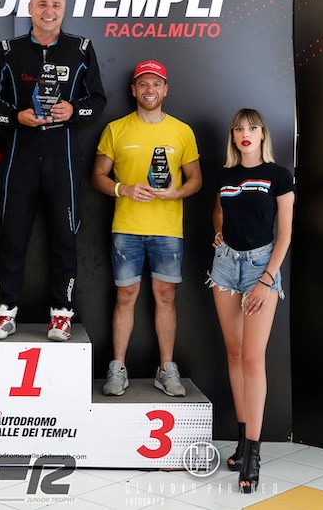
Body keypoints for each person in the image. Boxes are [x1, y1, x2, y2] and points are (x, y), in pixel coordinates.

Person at [0, 0, 106, 342]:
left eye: (55, 5)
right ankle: (4, 311)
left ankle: (62, 315)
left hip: (61, 156)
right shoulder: (10, 50)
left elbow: (97, 100)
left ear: (64, 10)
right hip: (20, 154)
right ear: (30, 9)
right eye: (41, 4)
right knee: (12, 235)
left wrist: (73, 110)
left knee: (64, 236)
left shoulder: (81, 49)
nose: (48, 11)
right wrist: (16, 116)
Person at [91, 60, 202, 397]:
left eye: (156, 84)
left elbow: (196, 180)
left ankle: (166, 368)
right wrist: (122, 188)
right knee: (125, 296)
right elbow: (98, 176)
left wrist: (176, 192)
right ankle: (118, 368)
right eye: (143, 84)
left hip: (167, 229)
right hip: (127, 227)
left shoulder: (182, 131)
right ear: (133, 90)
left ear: (165, 89)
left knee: (166, 296)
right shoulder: (116, 129)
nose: (149, 90)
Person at [206, 108, 294, 493]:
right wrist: (219, 233)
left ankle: (254, 454)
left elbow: (285, 233)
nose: (246, 133)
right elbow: (218, 211)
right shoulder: (226, 176)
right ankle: (242, 442)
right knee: (234, 353)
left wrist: (266, 280)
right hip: (225, 267)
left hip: (262, 266)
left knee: (254, 359)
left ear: (262, 135)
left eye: (252, 127)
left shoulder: (278, 175)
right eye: (239, 128)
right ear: (233, 136)